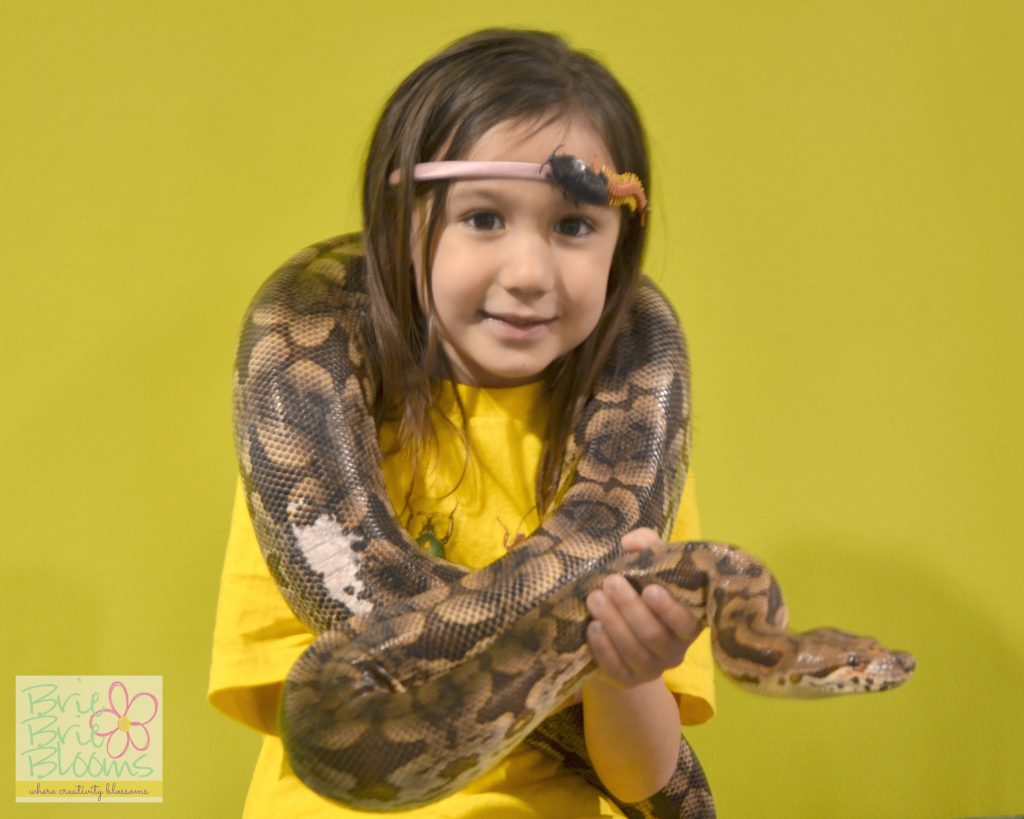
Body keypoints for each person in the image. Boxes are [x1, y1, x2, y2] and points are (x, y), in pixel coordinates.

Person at [209, 28, 715, 818]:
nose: (527, 273)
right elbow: (319, 726)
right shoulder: (316, 436)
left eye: (574, 226)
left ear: (623, 247)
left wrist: (626, 668)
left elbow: (647, 779)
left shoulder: (643, 470)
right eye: (483, 219)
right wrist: (554, 638)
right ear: (401, 232)